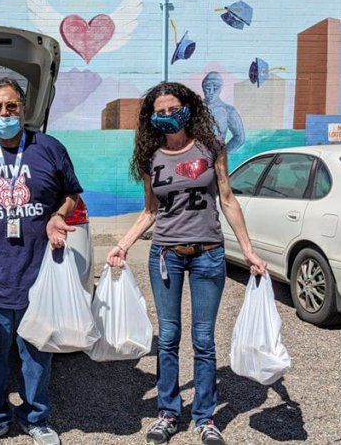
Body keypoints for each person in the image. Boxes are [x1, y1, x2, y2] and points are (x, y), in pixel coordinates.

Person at [106, 82, 265, 445]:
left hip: (209, 254)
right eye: (159, 112)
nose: (166, 116)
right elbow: (150, 211)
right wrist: (122, 245)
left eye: (172, 108)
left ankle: (205, 417)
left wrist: (249, 250)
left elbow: (227, 199)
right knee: (169, 338)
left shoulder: (211, 148)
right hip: (166, 257)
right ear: (152, 117)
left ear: (188, 108)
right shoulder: (151, 157)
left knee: (204, 340)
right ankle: (167, 412)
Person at [0, 77, 83, 445]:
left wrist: (59, 216)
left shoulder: (50, 149)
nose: (4, 114)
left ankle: (36, 418)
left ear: (24, 109)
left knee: (37, 354)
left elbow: (72, 194)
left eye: (11, 107)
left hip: (38, 273)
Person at [201, 72, 245, 153]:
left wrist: (222, 155)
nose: (211, 92)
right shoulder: (195, 109)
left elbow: (240, 137)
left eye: (215, 88)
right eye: (207, 87)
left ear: (221, 88)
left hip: (215, 158)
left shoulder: (228, 111)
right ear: (203, 87)